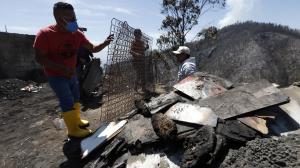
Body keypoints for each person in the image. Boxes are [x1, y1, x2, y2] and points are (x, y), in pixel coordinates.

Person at [33, 2, 114, 138]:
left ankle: (76, 120)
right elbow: (39, 58)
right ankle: (72, 130)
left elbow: (92, 49)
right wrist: (60, 68)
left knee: (76, 97)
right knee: (67, 100)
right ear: (58, 18)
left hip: (71, 74)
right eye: (70, 19)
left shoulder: (77, 34)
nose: (74, 22)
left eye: (75, 18)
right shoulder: (45, 34)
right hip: (56, 76)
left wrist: (105, 43)